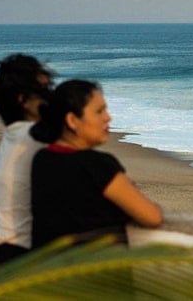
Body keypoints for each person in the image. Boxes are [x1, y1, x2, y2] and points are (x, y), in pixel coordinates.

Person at [30, 79, 162, 248]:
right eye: (99, 111)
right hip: (97, 267)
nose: (108, 117)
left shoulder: (41, 158)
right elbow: (152, 217)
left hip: (51, 266)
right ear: (72, 120)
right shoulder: (97, 165)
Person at [0, 54, 54, 266]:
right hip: (17, 254)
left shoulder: (13, 133)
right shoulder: (35, 137)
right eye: (43, 92)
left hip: (0, 246)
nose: (49, 98)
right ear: (23, 100)